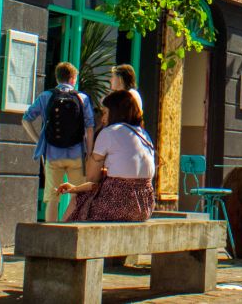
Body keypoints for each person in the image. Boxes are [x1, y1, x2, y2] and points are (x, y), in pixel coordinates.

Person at [59, 89, 156, 222]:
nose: (103, 118)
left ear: (115, 112)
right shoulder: (144, 135)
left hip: (118, 203)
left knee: (79, 200)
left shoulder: (110, 132)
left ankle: (63, 236)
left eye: (105, 113)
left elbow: (91, 177)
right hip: (145, 206)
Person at [22, 61, 97, 222]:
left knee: (52, 198)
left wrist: (38, 140)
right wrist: (89, 152)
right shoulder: (82, 98)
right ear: (72, 79)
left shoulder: (46, 96)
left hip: (53, 154)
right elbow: (90, 128)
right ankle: (68, 230)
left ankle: (51, 234)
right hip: (77, 155)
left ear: (57, 78)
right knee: (77, 196)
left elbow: (26, 119)